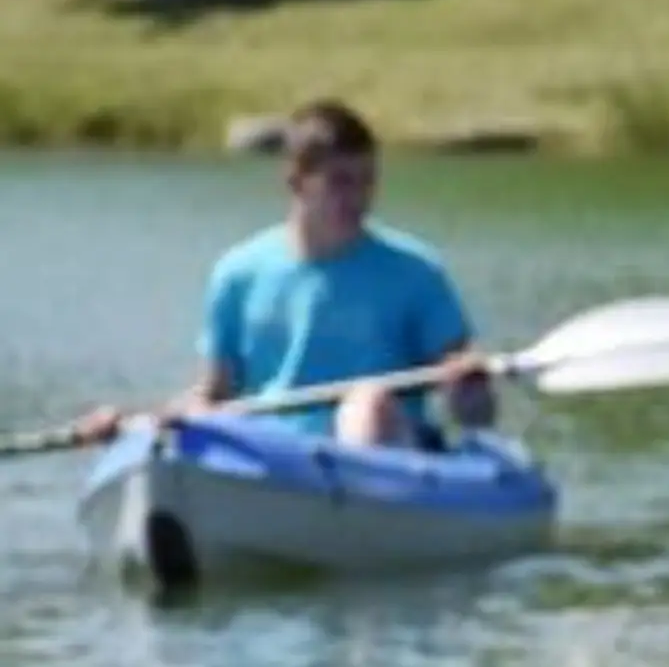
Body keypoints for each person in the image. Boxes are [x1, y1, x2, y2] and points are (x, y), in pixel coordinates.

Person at [76, 100, 489, 451]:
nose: (358, 197)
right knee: (197, 420)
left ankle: (352, 512)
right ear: (296, 183)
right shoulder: (238, 273)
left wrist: (467, 385)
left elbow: (477, 414)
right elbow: (214, 394)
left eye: (367, 181)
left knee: (368, 402)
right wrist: (134, 424)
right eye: (340, 182)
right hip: (275, 455)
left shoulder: (415, 272)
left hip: (385, 451)